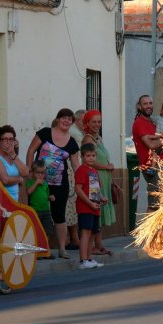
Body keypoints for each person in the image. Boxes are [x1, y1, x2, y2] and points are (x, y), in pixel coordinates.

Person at [26, 108, 80, 259]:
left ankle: (62, 249)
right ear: (57, 119)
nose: (66, 121)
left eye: (70, 119)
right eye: (64, 118)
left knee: (59, 215)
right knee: (36, 212)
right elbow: (31, 150)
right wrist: (29, 171)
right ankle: (37, 248)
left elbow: (76, 165)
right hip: (39, 182)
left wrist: (81, 183)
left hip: (60, 184)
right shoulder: (44, 133)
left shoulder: (72, 142)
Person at [80, 110, 115, 255]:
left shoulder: (97, 138)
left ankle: (99, 245)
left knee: (99, 210)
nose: (97, 124)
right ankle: (93, 246)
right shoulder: (88, 139)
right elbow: (91, 161)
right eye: (93, 122)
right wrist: (106, 167)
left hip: (103, 178)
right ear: (87, 123)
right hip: (94, 179)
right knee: (95, 211)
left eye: (99, 122)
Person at [75, 144, 106, 270]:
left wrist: (102, 197)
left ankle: (89, 258)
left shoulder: (94, 171)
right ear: (82, 156)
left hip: (95, 207)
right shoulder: (82, 170)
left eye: (93, 156)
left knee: (93, 233)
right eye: (88, 156)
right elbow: (78, 189)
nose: (91, 158)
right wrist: (89, 203)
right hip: (85, 207)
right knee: (85, 233)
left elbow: (95, 189)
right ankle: (83, 260)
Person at [131, 95, 163, 211]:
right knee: (154, 205)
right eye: (145, 104)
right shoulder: (139, 123)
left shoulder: (152, 122)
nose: (149, 106)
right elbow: (151, 145)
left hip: (160, 164)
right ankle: (147, 229)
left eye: (150, 103)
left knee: (161, 204)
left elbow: (157, 143)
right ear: (139, 107)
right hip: (151, 167)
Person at [0, 125, 29, 201]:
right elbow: (5, 180)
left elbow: (26, 172)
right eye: (5, 139)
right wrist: (19, 179)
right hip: (0, 201)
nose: (8, 142)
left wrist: (13, 155)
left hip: (15, 201)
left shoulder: (12, 156)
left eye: (11, 139)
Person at [65, 109, 85, 251]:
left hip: (75, 170)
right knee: (70, 203)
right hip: (70, 171)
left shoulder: (80, 133)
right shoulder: (74, 133)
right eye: (83, 120)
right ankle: (70, 238)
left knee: (73, 204)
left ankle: (74, 237)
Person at [26, 159, 55, 257]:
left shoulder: (45, 184)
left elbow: (46, 195)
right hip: (36, 211)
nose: (40, 175)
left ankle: (45, 251)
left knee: (47, 231)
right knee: (37, 231)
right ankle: (37, 252)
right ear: (33, 173)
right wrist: (36, 183)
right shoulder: (30, 182)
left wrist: (50, 197)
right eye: (38, 173)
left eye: (42, 173)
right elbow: (29, 192)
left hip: (46, 210)